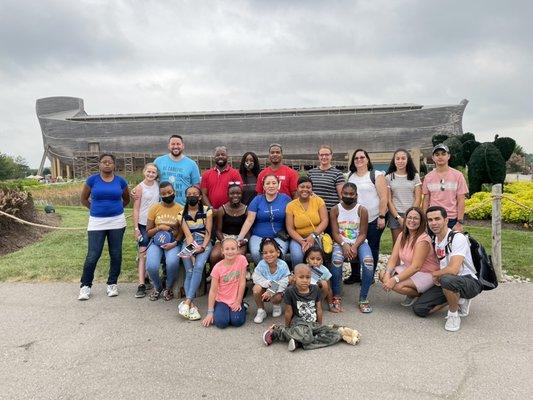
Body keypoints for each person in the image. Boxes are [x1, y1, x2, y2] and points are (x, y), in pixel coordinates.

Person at [413, 206, 483, 332]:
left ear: (446, 220)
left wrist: (436, 274)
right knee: (420, 309)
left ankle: (453, 314)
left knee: (446, 279)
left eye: (437, 219)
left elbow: (454, 269)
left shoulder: (458, 238)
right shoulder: (435, 239)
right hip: (448, 282)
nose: (433, 223)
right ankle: (458, 299)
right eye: (430, 220)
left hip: (469, 282)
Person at [78, 153, 130, 301]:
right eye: (104, 162)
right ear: (99, 164)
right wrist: (95, 209)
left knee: (116, 254)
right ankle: (85, 286)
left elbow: (126, 199)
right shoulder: (92, 180)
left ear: (114, 165)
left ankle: (112, 284)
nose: (107, 164)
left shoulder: (121, 181)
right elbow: (83, 199)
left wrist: (116, 210)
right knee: (93, 255)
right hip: (96, 222)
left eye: (110, 162)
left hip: (117, 222)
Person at [261, 264, 342, 351]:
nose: (305, 280)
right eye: (301, 277)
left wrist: (319, 325)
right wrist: (287, 328)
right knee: (305, 335)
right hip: (299, 323)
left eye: (308, 277)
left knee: (336, 335)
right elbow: (288, 312)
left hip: (312, 324)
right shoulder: (290, 291)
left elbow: (319, 309)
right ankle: (277, 332)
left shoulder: (315, 289)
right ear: (295, 278)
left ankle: (299, 342)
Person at [380, 207, 440, 306]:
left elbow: (416, 267)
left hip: (426, 273)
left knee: (397, 285)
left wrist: (394, 279)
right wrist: (387, 274)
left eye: (415, 218)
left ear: (421, 222)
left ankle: (422, 295)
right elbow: (393, 258)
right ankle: (412, 292)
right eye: (409, 217)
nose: (412, 221)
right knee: (382, 274)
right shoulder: (402, 235)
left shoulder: (423, 240)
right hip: (409, 268)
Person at [345, 149, 388, 284]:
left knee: (373, 247)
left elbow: (383, 197)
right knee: (354, 245)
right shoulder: (350, 176)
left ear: (367, 159)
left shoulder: (376, 175)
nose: (359, 160)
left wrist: (382, 216)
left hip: (374, 217)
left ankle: (369, 277)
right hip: (355, 220)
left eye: (362, 157)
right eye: (356, 158)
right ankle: (355, 274)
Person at [330, 182, 375, 313]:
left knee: (368, 263)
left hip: (359, 243)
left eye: (351, 194)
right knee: (336, 261)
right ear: (341, 194)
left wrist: (354, 246)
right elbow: (335, 233)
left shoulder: (362, 210)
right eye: (345, 193)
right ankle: (336, 296)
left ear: (356, 195)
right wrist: (344, 245)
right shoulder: (335, 209)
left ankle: (363, 298)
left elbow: (363, 233)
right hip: (340, 242)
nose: (348, 196)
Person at [177, 185, 214, 321]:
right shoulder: (181, 214)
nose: (191, 196)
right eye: (189, 194)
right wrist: (192, 251)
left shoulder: (207, 211)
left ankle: (187, 302)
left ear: (199, 197)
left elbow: (208, 232)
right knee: (190, 271)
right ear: (186, 197)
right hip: (189, 243)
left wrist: (203, 247)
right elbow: (188, 236)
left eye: (195, 194)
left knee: (198, 267)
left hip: (204, 241)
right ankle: (190, 304)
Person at [237, 174, 291, 264]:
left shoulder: (286, 199)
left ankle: (277, 275)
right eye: (268, 183)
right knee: (255, 253)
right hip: (258, 236)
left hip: (279, 236)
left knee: (278, 253)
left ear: (279, 185)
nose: (271, 186)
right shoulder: (257, 200)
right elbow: (249, 220)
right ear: (263, 186)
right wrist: (239, 238)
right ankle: (262, 274)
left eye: (274, 183)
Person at [144, 181, 184, 301]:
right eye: (163, 193)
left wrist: (175, 243)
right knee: (151, 266)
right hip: (156, 243)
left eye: (169, 192)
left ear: (174, 192)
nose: (167, 195)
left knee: (172, 262)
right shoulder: (155, 208)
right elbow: (148, 232)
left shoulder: (180, 208)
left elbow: (182, 231)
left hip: (173, 242)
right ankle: (158, 287)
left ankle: (168, 287)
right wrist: (159, 227)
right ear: (160, 195)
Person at [202, 238, 248, 329]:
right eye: (227, 249)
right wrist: (210, 313)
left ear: (238, 250)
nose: (230, 252)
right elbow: (213, 291)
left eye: (233, 249)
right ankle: (220, 310)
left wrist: (238, 301)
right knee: (221, 323)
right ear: (222, 251)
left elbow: (242, 282)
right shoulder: (217, 268)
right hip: (222, 300)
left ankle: (243, 306)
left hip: (236, 298)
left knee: (237, 321)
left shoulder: (242, 260)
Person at [422, 144, 469, 231]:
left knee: (452, 244)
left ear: (448, 156)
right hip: (434, 218)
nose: (440, 157)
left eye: (443, 154)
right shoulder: (428, 177)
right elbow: (426, 200)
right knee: (434, 244)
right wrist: (425, 221)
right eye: (437, 154)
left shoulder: (458, 175)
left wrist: (459, 222)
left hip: (451, 219)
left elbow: (461, 200)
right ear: (433, 158)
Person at [285, 176, 329, 266]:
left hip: (316, 236)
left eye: (308, 187)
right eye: (302, 187)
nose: (305, 189)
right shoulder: (291, 205)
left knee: (316, 257)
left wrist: (313, 236)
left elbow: (325, 220)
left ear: (312, 189)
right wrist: (302, 241)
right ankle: (298, 277)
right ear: (297, 188)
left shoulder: (318, 201)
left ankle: (318, 278)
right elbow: (290, 228)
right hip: (298, 238)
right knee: (297, 256)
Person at [132, 163, 160, 298]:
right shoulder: (139, 188)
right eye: (148, 172)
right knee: (142, 253)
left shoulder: (158, 186)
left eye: (153, 172)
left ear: (156, 174)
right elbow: (136, 209)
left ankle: (150, 278)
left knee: (153, 252)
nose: (150, 174)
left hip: (155, 223)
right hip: (143, 224)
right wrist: (136, 228)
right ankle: (141, 284)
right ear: (144, 172)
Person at [385, 149, 422, 244]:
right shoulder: (389, 177)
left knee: (412, 243)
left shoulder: (415, 176)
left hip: (412, 214)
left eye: (403, 158)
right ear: (394, 160)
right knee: (398, 244)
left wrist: (411, 215)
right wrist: (398, 217)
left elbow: (418, 197)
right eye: (397, 158)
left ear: (407, 160)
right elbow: (389, 200)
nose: (400, 161)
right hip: (395, 215)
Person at [252, 238, 291, 323]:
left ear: (278, 253)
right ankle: (261, 310)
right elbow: (255, 277)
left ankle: (276, 305)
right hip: (265, 287)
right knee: (256, 288)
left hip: (277, 290)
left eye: (271, 252)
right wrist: (267, 283)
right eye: (265, 253)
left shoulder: (283, 265)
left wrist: (271, 290)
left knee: (277, 297)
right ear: (262, 255)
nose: (268, 255)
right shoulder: (261, 264)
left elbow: (285, 281)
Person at [154, 134, 201, 205]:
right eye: (173, 144)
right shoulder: (158, 161)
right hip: (162, 206)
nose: (175, 146)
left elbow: (196, 186)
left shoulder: (192, 164)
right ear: (168, 146)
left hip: (183, 207)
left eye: (178, 144)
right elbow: (150, 180)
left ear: (183, 146)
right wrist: (138, 189)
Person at [210, 183, 249, 266]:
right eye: (232, 193)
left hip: (239, 238)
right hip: (224, 237)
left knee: (239, 255)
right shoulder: (222, 209)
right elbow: (218, 230)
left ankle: (239, 274)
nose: (235, 196)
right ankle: (215, 274)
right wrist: (224, 241)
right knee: (215, 255)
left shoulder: (246, 209)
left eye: (238, 193)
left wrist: (244, 241)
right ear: (228, 195)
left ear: (242, 195)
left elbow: (248, 231)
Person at [307, 145, 345, 212]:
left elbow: (342, 196)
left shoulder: (338, 173)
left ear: (331, 155)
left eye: (327, 155)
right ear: (318, 156)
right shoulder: (311, 173)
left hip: (331, 212)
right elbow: (307, 192)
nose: (324, 157)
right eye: (321, 155)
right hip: (314, 212)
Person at [304, 246, 334, 311]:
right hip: (304, 293)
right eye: (312, 258)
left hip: (317, 295)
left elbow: (329, 289)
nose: (315, 261)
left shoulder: (325, 271)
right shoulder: (303, 268)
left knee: (324, 283)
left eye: (318, 259)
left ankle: (318, 304)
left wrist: (331, 306)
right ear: (307, 259)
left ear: (322, 261)